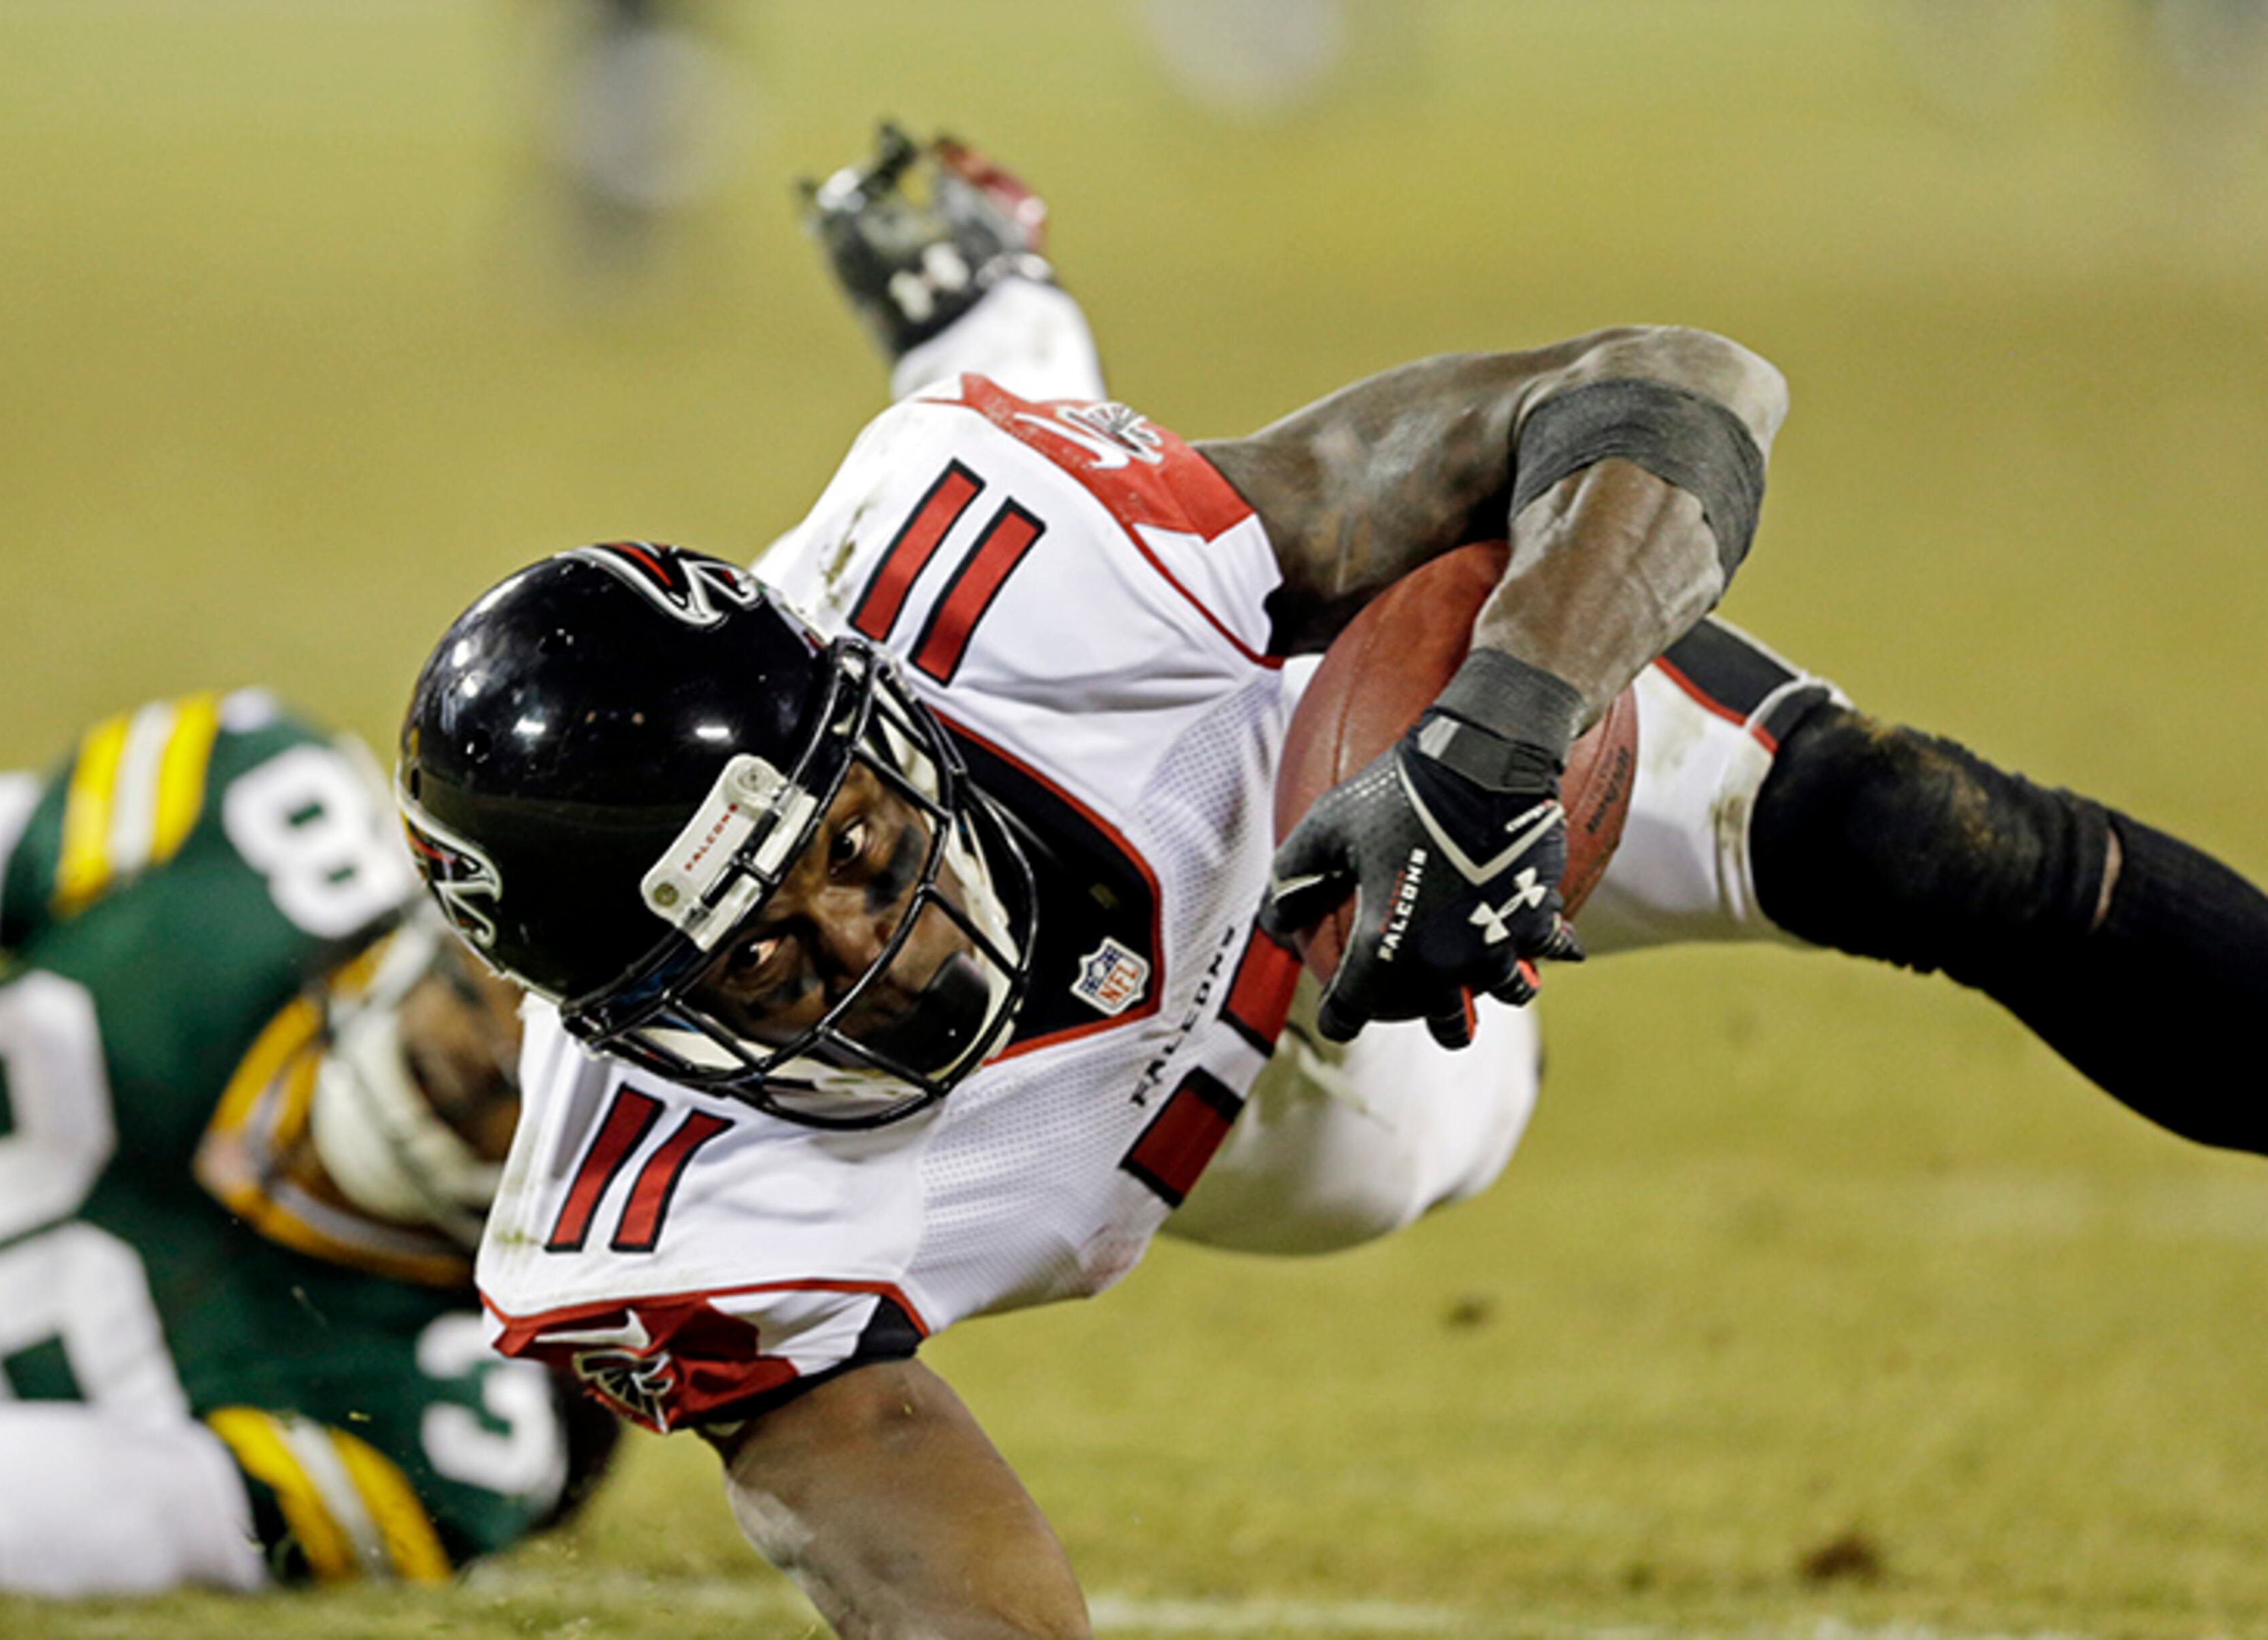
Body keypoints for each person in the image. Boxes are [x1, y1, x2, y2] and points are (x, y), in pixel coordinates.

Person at [395, 128, 2268, 1636]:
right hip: (1275, 1133)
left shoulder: (997, 572)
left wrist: (1490, 756)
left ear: (879, 721)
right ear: (627, 1021)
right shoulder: (648, 1226)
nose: (870, 942)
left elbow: (1683, 389)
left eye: (860, 846)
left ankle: (996, 317)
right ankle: (993, 313)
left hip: (1347, 776)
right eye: (764, 966)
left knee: (1916, 831)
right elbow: (908, 1532)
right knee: (1397, 1152)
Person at [0, 686, 619, 1593]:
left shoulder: (428, 1415)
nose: (484, 1031)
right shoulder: (263, 833)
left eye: (563, 1046)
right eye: (511, 971)